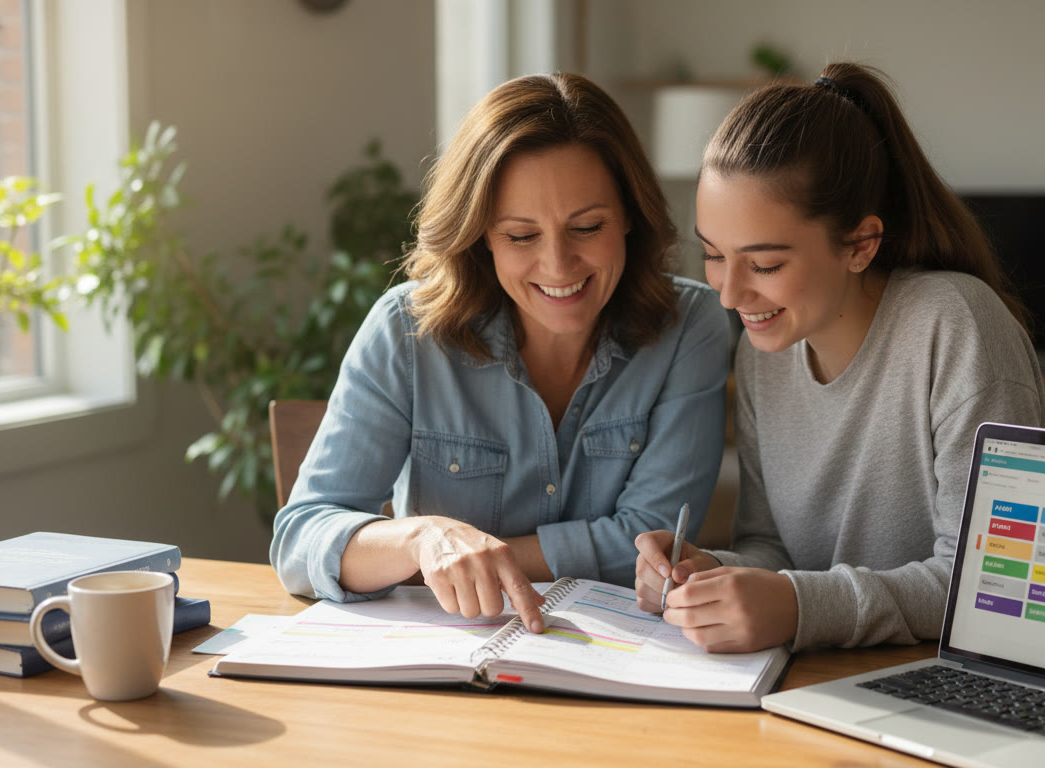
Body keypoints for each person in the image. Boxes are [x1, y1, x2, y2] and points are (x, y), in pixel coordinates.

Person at [272, 73, 730, 634]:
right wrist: (424, 540)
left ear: (631, 215)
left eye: (587, 226)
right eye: (520, 236)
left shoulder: (691, 326)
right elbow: (299, 540)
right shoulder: (405, 330)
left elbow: (653, 541)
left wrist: (475, 562)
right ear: (480, 235)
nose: (559, 265)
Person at [634, 62, 1045, 653]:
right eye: (714, 255)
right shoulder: (764, 354)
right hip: (812, 684)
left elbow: (995, 583)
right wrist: (707, 574)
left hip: (944, 685)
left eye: (766, 265)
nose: (729, 295)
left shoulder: (956, 326)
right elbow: (771, 550)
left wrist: (799, 607)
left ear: (860, 244)